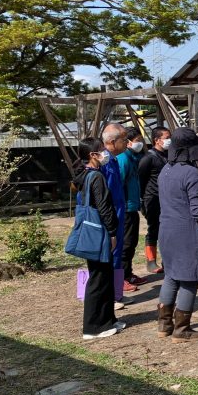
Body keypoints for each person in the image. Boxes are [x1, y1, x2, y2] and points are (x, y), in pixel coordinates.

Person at [156, 127, 198, 344]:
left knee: (171, 275)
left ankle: (164, 325)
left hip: (166, 231)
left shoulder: (166, 170)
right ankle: (181, 329)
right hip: (187, 233)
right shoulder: (190, 173)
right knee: (190, 280)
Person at [73, 137, 126, 340]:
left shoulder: (88, 175)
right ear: (92, 155)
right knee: (98, 278)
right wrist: (113, 232)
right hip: (100, 231)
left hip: (95, 231)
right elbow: (104, 207)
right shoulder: (95, 177)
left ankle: (108, 319)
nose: (105, 153)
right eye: (101, 150)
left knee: (105, 276)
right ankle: (93, 326)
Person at [101, 124, 128, 306]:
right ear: (112, 142)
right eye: (124, 140)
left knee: (117, 254)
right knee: (110, 255)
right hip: (110, 217)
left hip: (119, 214)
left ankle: (117, 294)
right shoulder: (105, 161)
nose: (127, 143)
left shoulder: (114, 159)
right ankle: (109, 297)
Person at [138, 127, 170, 274]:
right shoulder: (148, 158)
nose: (170, 140)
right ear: (157, 140)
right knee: (154, 229)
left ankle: (167, 260)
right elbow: (141, 180)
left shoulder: (169, 155)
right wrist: (143, 201)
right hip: (152, 199)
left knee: (168, 230)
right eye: (167, 137)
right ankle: (151, 261)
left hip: (167, 199)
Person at [116, 126, 145, 288]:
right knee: (126, 244)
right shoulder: (124, 160)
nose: (140, 144)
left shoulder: (133, 158)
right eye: (137, 141)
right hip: (126, 208)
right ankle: (121, 278)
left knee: (132, 242)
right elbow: (118, 184)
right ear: (127, 143)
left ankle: (128, 273)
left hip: (133, 207)